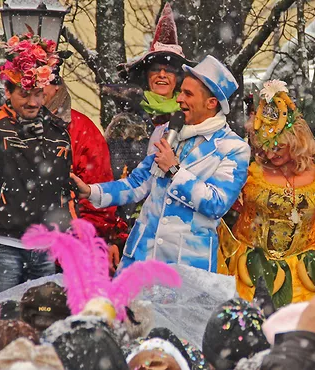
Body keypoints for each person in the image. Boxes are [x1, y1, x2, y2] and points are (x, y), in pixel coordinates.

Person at [73, 55, 249, 272]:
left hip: (186, 266)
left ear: (211, 103)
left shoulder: (233, 148)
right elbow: (137, 185)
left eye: (188, 94)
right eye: (182, 91)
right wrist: (90, 191)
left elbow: (216, 204)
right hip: (141, 259)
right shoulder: (169, 133)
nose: (179, 99)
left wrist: (175, 171)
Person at [221, 80, 315, 305]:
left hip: (307, 275)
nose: (270, 155)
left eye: (278, 147)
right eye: (265, 147)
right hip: (249, 272)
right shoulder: (249, 172)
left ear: (296, 140)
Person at [0, 31, 76, 294]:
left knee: (40, 322)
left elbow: (65, 191)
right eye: (24, 93)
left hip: (44, 247)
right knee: (0, 320)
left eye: (38, 94)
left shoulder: (59, 132)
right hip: (1, 244)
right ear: (8, 91)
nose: (33, 102)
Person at [116, 2, 190, 156]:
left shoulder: (191, 116)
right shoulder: (126, 118)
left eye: (169, 71)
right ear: (146, 76)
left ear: (178, 78)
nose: (162, 75)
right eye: (155, 70)